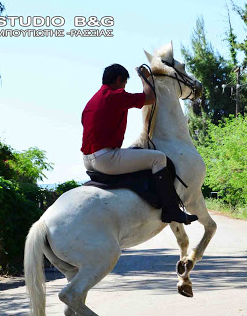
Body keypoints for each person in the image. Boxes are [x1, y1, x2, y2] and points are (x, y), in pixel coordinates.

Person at [80, 64, 197, 225]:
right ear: (119, 79)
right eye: (124, 84)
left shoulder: (92, 101)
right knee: (159, 158)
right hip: (105, 158)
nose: (124, 88)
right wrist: (145, 78)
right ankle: (171, 210)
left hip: (88, 160)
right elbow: (150, 98)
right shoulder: (115, 95)